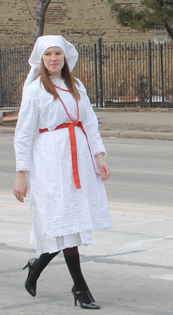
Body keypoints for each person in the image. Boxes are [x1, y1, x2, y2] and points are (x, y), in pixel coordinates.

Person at [13, 35, 112, 309]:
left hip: (77, 158)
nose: (53, 59)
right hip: (50, 159)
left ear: (65, 57)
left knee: (72, 223)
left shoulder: (76, 85)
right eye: (48, 55)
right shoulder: (35, 90)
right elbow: (23, 134)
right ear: (41, 60)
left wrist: (99, 156)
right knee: (60, 222)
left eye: (58, 53)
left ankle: (37, 268)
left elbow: (89, 122)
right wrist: (22, 173)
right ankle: (80, 289)